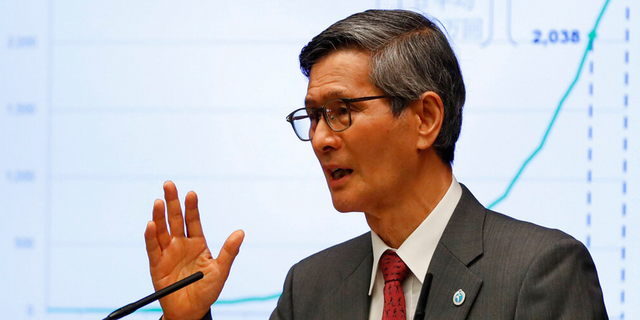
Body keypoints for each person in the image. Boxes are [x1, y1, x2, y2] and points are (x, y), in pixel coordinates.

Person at [144, 9, 608, 320]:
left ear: (425, 118)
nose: (321, 138)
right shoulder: (310, 288)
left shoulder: (540, 271)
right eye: (314, 116)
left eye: (343, 111)